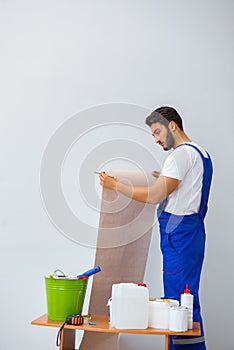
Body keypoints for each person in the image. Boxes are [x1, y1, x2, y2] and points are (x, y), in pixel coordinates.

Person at [99, 106, 213, 350]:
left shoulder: (179, 156)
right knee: (187, 299)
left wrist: (115, 185)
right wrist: (165, 175)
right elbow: (189, 189)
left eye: (158, 132)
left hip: (179, 237)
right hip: (192, 234)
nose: (157, 139)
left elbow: (154, 196)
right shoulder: (201, 154)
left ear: (173, 125)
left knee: (178, 303)